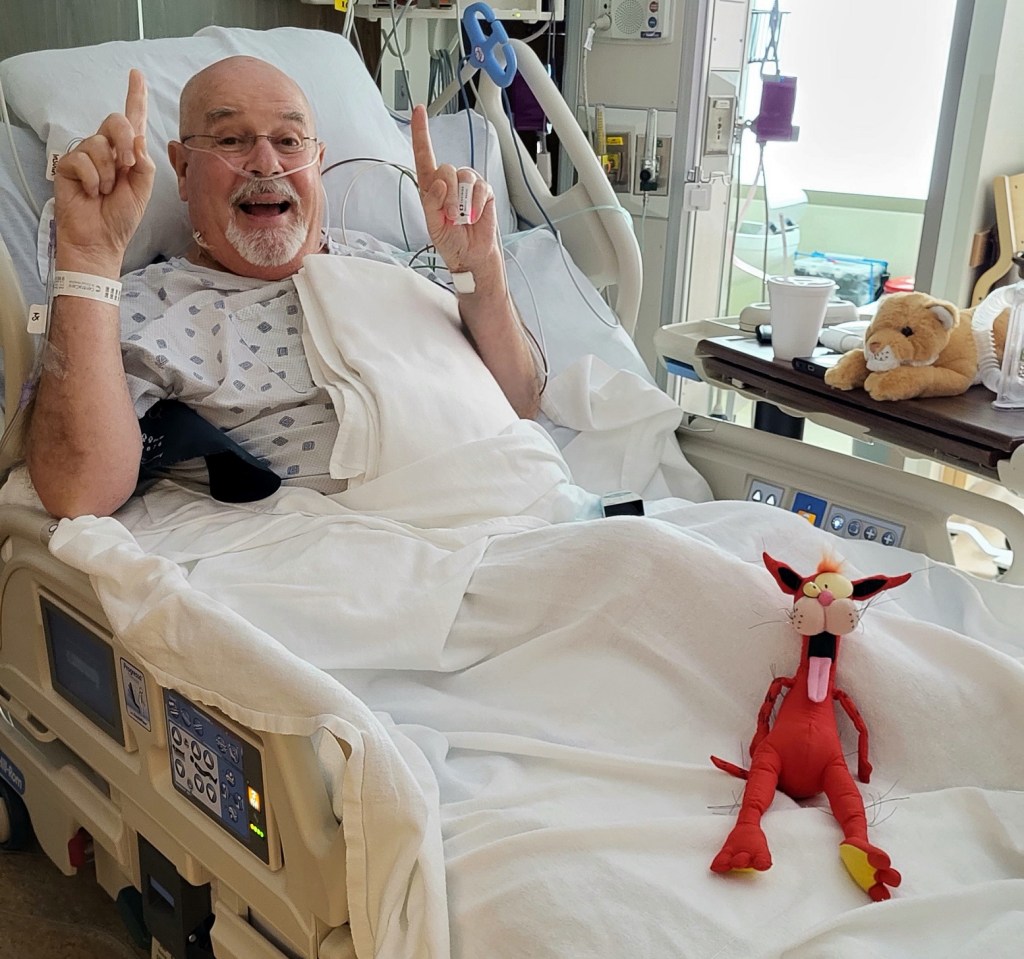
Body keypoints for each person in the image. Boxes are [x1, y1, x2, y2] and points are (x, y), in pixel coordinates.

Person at [26, 57, 543, 519]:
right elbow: (79, 494)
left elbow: (519, 403)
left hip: (520, 500)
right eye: (231, 140)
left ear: (318, 162)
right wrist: (88, 259)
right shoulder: (144, 308)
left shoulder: (382, 264)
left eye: (289, 141)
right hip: (380, 544)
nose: (266, 163)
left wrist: (481, 270)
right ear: (182, 169)